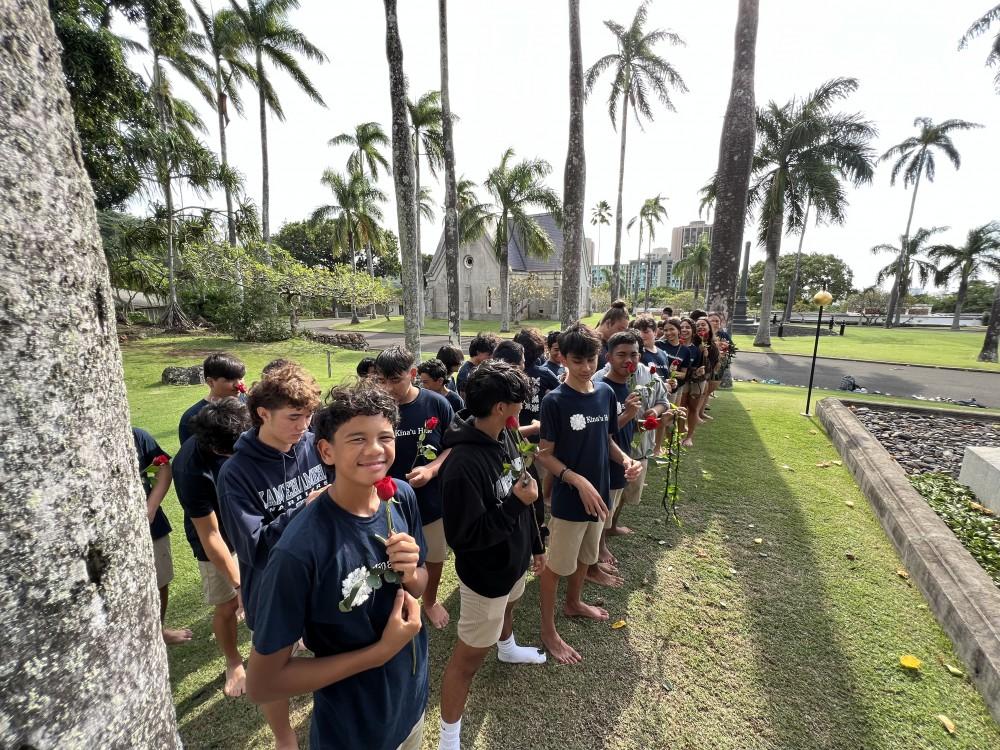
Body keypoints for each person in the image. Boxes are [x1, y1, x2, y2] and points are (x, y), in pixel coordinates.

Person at [246, 380, 429, 750]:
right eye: (357, 439)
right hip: (355, 729)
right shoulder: (299, 551)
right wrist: (380, 653)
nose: (375, 449)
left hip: (410, 704)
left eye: (385, 437)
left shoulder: (401, 496)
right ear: (326, 451)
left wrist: (411, 573)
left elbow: (419, 584)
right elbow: (262, 684)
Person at [437, 361, 547, 750]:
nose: (523, 408)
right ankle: (448, 737)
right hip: (486, 576)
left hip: (514, 561)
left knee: (510, 605)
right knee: (467, 661)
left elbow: (524, 485)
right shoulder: (462, 465)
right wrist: (516, 504)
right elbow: (464, 538)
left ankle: (507, 647)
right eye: (518, 402)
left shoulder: (507, 434)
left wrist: (537, 544)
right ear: (501, 406)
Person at [218, 363, 328, 750]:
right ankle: (284, 737)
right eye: (294, 417)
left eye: (309, 415)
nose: (304, 425)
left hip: (321, 576)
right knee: (270, 669)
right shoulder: (236, 472)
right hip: (272, 585)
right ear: (263, 413)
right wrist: (305, 509)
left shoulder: (312, 445)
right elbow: (252, 546)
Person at [535, 323, 641, 665]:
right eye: (577, 360)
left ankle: (574, 602)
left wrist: (626, 460)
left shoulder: (605, 393)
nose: (585, 367)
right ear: (564, 359)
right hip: (570, 500)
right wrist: (576, 480)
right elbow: (544, 454)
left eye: (591, 360)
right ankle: (548, 631)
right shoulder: (555, 401)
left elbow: (607, 440)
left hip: (600, 496)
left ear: (600, 357)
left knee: (586, 555)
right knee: (555, 567)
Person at [172, 398, 251, 698]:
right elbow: (211, 534)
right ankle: (233, 661)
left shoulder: (247, 436)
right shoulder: (190, 468)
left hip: (248, 528)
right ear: (217, 448)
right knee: (228, 604)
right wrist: (239, 584)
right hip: (217, 539)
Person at [374, 346, 455, 629]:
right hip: (386, 501)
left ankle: (429, 601)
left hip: (430, 499)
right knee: (390, 558)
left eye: (394, 380)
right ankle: (395, 603)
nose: (387, 388)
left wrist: (432, 469)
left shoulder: (437, 404)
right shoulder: (377, 408)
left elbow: (453, 446)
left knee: (434, 554)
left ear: (412, 374)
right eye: (381, 380)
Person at [594, 333, 671, 541]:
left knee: (619, 496)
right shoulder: (600, 386)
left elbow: (662, 402)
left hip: (629, 453)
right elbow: (600, 432)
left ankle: (608, 534)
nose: (628, 360)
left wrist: (656, 417)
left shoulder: (640, 380)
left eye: (634, 355)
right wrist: (628, 414)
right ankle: (599, 548)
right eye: (621, 355)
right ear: (609, 357)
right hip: (607, 457)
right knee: (604, 504)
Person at [133, 427, 193, 646]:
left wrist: (150, 508)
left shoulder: (137, 436)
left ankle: (158, 630)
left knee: (161, 579)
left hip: (152, 526)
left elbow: (163, 466)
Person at [179, 353, 247, 444]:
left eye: (241, 378)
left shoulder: (247, 402)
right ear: (210, 382)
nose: (238, 385)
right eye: (230, 379)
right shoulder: (192, 416)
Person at [682, 318, 718, 448]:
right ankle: (680, 433)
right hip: (683, 380)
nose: (700, 327)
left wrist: (705, 355)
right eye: (698, 325)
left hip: (698, 381)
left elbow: (709, 368)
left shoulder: (710, 346)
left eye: (703, 325)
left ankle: (689, 437)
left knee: (693, 408)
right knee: (681, 408)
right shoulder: (684, 344)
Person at [457, 333, 499, 397]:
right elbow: (464, 397)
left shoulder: (481, 367)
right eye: (489, 354)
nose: (491, 358)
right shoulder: (466, 372)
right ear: (478, 352)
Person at [595, 300, 631, 368]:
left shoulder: (612, 345)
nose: (622, 334)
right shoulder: (589, 343)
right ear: (608, 323)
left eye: (625, 331)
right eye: (620, 329)